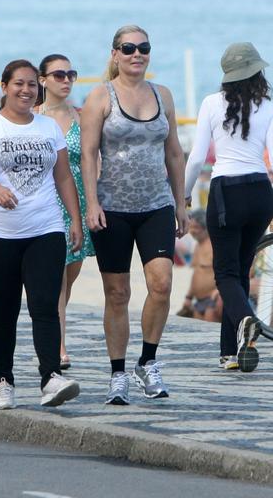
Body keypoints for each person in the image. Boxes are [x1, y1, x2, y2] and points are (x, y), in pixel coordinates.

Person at [0, 59, 83, 410]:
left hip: (44, 229)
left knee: (45, 305)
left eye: (33, 84)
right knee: (3, 311)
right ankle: (3, 381)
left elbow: (63, 177)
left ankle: (50, 378)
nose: (26, 90)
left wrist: (74, 220)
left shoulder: (48, 128)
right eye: (19, 83)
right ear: (4, 87)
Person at [81, 25, 189, 404]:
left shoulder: (164, 95)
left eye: (143, 48)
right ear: (115, 54)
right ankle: (118, 373)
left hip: (156, 204)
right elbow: (88, 154)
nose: (136, 54)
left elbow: (174, 152)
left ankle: (148, 360)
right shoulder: (100, 97)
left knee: (161, 285)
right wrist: (92, 204)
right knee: (117, 293)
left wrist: (181, 202)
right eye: (128, 48)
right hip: (112, 208)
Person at [185, 42, 273, 373]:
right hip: (260, 193)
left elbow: (196, 158)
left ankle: (247, 320)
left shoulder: (211, 103)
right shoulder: (267, 105)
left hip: (227, 193)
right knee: (240, 270)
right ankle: (231, 353)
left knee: (225, 273)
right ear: (257, 72)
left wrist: (186, 194)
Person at [37, 53, 95, 370]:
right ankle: (57, 346)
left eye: (70, 74)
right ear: (42, 79)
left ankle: (50, 330)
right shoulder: (32, 117)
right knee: (55, 279)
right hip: (45, 202)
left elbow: (91, 162)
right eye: (58, 75)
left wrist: (94, 204)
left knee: (68, 281)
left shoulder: (82, 117)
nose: (66, 80)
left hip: (78, 202)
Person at [177, 209, 223, 324]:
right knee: (200, 334)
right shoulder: (198, 246)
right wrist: (188, 297)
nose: (192, 231)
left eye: (196, 227)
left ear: (205, 227)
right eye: (191, 227)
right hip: (199, 301)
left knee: (211, 332)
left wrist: (219, 291)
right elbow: (197, 273)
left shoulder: (215, 245)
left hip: (213, 299)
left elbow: (226, 271)